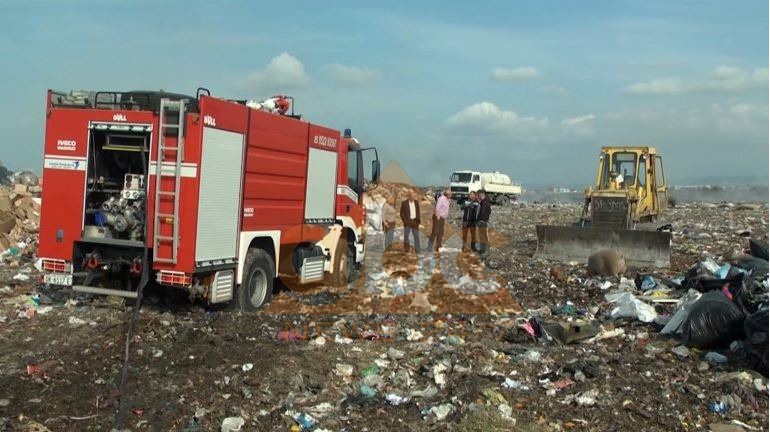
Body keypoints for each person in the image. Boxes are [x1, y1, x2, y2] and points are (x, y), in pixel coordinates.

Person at [476, 189, 492, 254]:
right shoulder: (485, 201)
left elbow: (483, 212)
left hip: (482, 221)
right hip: (484, 221)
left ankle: (485, 251)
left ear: (481, 194)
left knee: (483, 236)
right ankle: (484, 250)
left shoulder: (485, 202)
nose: (477, 196)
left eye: (478, 195)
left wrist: (479, 220)